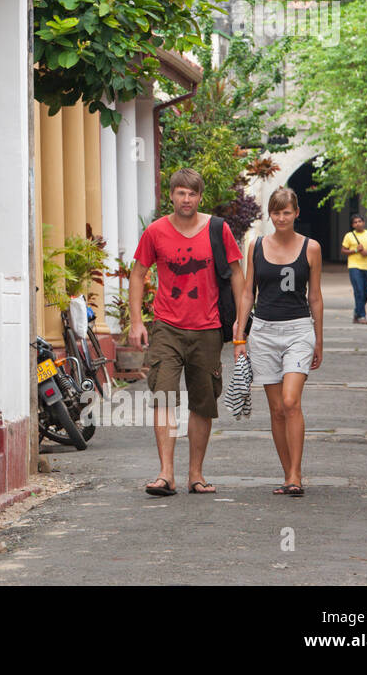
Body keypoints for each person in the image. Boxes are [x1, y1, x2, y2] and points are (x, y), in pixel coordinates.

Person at [129, 168, 243, 497]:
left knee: (203, 403)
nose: (186, 199)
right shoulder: (156, 231)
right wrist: (137, 322)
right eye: (180, 193)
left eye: (192, 194)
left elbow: (237, 274)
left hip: (207, 327)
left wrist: (239, 321)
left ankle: (196, 474)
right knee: (164, 395)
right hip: (167, 326)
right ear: (172, 196)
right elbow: (138, 274)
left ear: (200, 198)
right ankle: (166, 473)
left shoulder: (218, 230)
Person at [234, 187, 323, 497]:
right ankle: (288, 475)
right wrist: (239, 335)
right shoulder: (256, 245)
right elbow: (248, 293)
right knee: (275, 410)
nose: (282, 217)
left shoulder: (311, 248)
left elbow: (316, 296)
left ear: (296, 213)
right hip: (263, 332)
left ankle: (297, 472)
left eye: (287, 212)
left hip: (299, 329)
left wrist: (319, 340)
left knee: (290, 401)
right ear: (269, 214)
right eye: (276, 212)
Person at [342, 213, 367, 324]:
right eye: (355, 222)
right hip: (354, 266)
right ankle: (362, 316)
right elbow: (344, 250)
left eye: (359, 221)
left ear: (363, 222)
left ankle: (357, 312)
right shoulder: (349, 236)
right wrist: (355, 250)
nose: (358, 224)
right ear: (353, 225)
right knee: (359, 291)